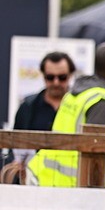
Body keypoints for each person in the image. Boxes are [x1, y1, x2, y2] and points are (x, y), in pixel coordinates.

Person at [26, 42, 105, 189]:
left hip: (55, 186)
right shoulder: (100, 101)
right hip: (80, 194)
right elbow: (95, 156)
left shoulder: (75, 95)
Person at [2, 52, 76, 182]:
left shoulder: (78, 106)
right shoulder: (28, 107)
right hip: (31, 181)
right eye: (50, 77)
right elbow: (15, 146)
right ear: (43, 76)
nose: (56, 82)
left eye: (62, 77)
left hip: (69, 183)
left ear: (71, 75)